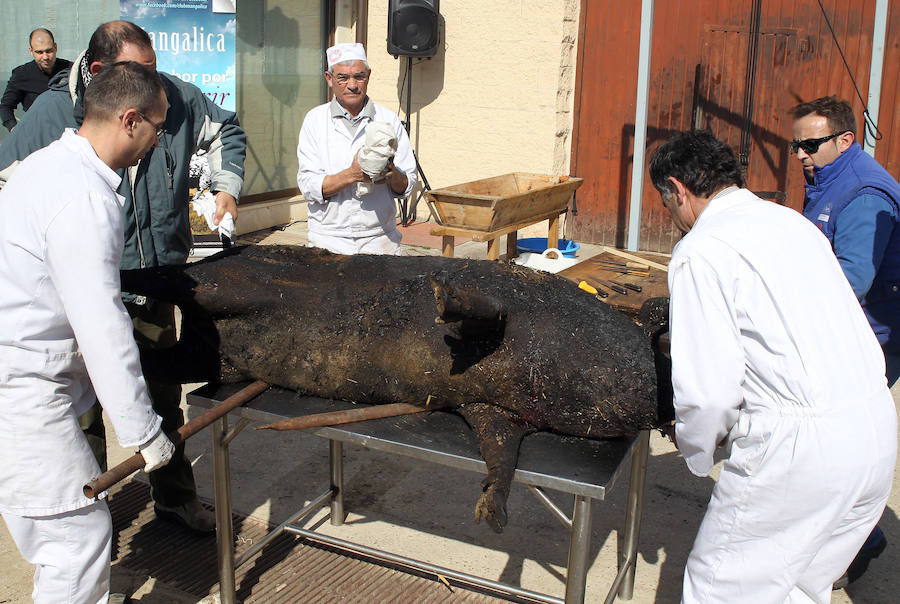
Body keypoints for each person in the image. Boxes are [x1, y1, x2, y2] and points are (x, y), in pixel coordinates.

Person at [0, 20, 247, 534]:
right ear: (98, 75)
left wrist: (225, 188)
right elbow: (12, 184)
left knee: (159, 396)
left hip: (153, 279)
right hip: (74, 299)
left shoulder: (173, 97)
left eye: (151, 71)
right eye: (135, 73)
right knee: (79, 415)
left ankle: (174, 499)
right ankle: (86, 514)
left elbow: (226, 129)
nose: (151, 84)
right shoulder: (49, 115)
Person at [649, 130, 896, 603]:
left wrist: (697, 450)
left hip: (801, 452)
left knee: (722, 588)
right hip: (872, 434)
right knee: (799, 588)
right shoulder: (792, 223)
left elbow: (708, 391)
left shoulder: (702, 251)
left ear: (679, 189)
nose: (675, 220)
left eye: (669, 206)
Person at [0, 61, 175, 604]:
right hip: (22, 390)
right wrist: (145, 433)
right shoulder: (85, 198)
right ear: (130, 120)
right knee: (75, 538)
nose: (158, 139)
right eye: (158, 126)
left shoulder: (44, 164)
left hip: (23, 378)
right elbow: (102, 327)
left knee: (68, 534)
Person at [789, 95, 900, 586]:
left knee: (832, 442)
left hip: (872, 336)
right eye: (795, 145)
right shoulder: (830, 178)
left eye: (809, 144)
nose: (799, 155)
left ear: (844, 140)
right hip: (853, 330)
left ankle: (859, 543)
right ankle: (859, 535)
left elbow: (852, 278)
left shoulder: (862, 193)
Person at [297, 42, 417, 255]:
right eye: (342, 77)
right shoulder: (315, 120)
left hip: (379, 238)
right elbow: (308, 186)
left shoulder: (388, 119)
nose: (352, 85)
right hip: (329, 238)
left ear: (368, 76)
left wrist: (391, 174)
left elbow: (407, 184)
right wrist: (352, 175)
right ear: (329, 79)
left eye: (359, 76)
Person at [0, 28, 72, 132]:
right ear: (31, 51)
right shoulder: (21, 74)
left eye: (49, 51)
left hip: (67, 133)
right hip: (36, 134)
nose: (45, 57)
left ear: (55, 47)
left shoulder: (72, 70)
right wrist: (14, 129)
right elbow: (6, 106)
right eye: (39, 52)